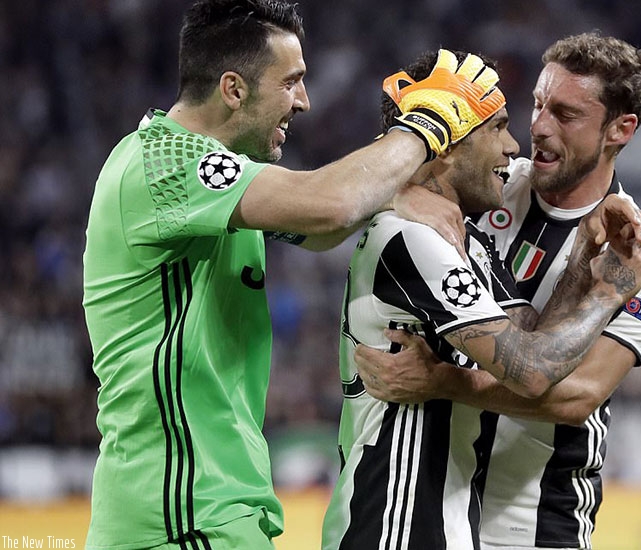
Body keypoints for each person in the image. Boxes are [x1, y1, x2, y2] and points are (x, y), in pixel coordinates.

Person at [81, 0, 507, 548]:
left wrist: (393, 194)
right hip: (177, 517)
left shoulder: (213, 188)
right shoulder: (163, 164)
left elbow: (325, 226)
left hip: (214, 510)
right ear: (233, 89)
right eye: (291, 82)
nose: (304, 102)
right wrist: (427, 125)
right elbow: (328, 206)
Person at [355, 32, 641, 550]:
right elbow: (385, 170)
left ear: (621, 129)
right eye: (537, 104)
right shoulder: (493, 184)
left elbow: (578, 396)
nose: (539, 128)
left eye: (567, 114)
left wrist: (442, 382)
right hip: (443, 505)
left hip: (536, 518)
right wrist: (406, 192)